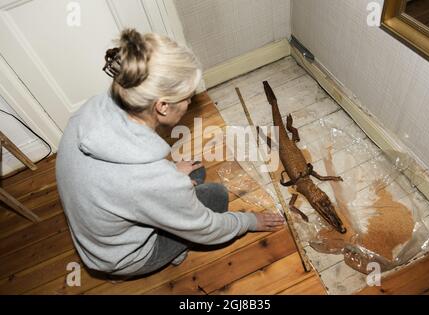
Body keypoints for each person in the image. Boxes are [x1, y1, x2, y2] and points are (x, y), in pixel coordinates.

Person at [56, 29, 285, 277]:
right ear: (162, 106)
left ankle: (171, 213)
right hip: (123, 258)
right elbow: (207, 229)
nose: (190, 103)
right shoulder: (152, 182)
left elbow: (129, 182)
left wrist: (170, 176)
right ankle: (173, 253)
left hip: (97, 234)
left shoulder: (88, 111)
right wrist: (250, 222)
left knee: (193, 169)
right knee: (216, 196)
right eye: (187, 97)